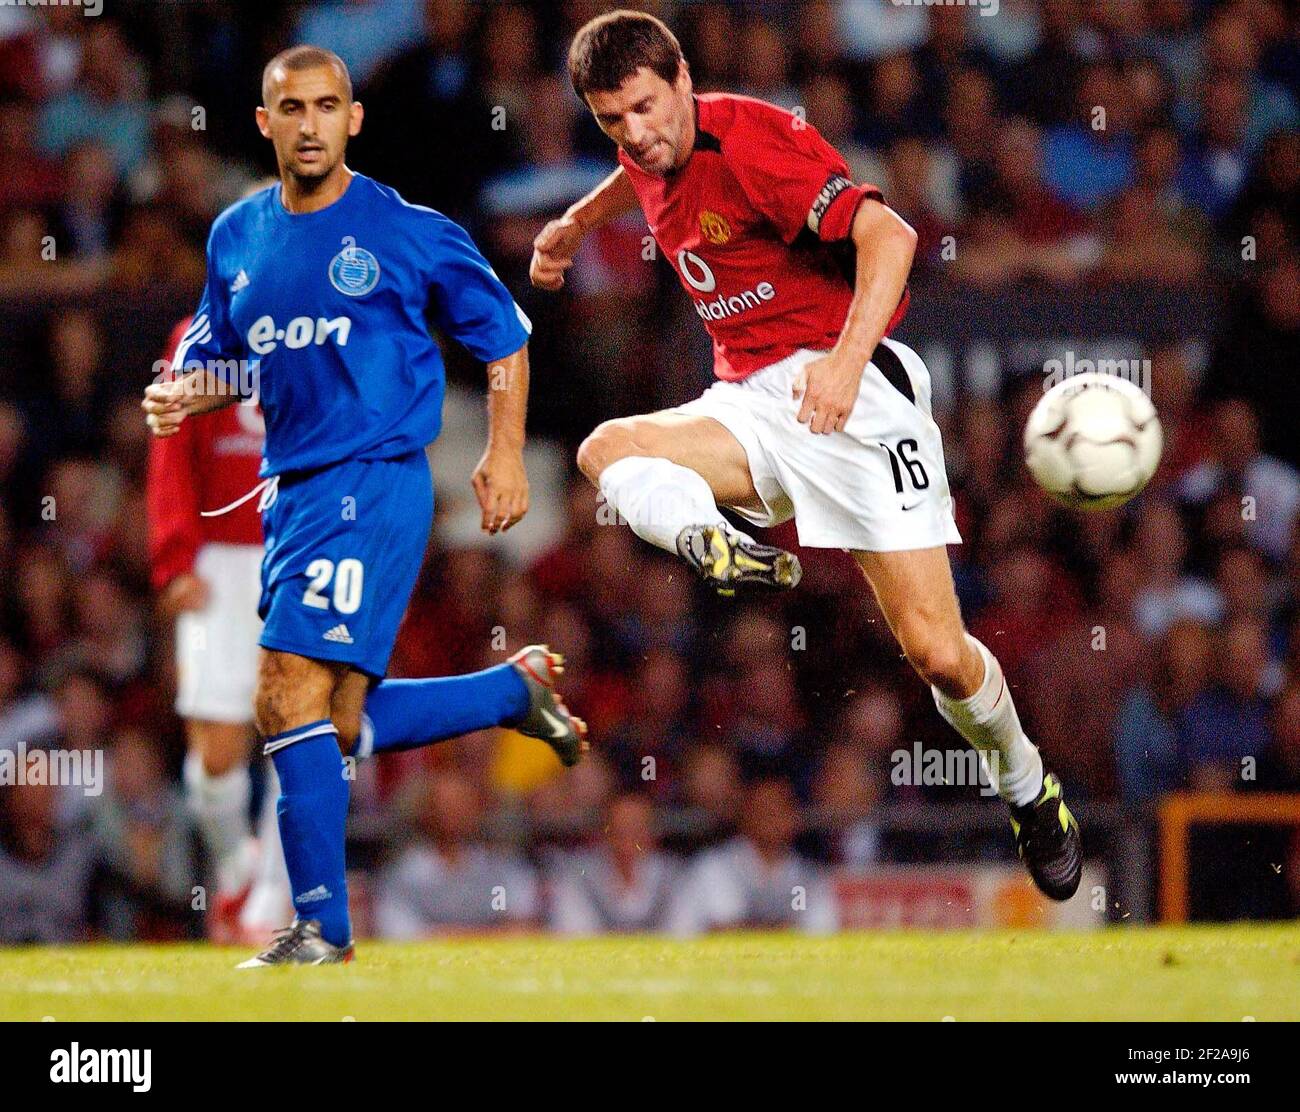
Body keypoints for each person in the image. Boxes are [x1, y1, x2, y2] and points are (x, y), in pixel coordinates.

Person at [530, 11, 1079, 901]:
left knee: (939, 655)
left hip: (852, 396)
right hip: (748, 404)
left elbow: (891, 237)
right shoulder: (646, 141)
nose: (635, 133)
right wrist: (577, 222)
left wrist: (845, 362)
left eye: (643, 109)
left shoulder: (753, 138)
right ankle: (713, 542)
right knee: (607, 450)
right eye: (611, 121)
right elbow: (637, 172)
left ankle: (1025, 783)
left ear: (682, 79)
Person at [142, 46, 586, 967]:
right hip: (291, 491)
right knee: (332, 721)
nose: (309, 124)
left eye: (327, 106)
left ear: (354, 119)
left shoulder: (400, 228)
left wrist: (504, 453)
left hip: (371, 479)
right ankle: (512, 691)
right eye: (291, 108)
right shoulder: (236, 236)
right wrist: (190, 393)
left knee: (281, 692)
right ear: (264, 123)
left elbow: (503, 338)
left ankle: (319, 930)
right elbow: (232, 362)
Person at [146, 315, 292, 944]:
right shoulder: (194, 334)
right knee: (216, 750)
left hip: (299, 545)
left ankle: (272, 909)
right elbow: (169, 442)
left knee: (303, 735)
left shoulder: (314, 319)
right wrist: (175, 555)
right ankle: (238, 865)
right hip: (220, 559)